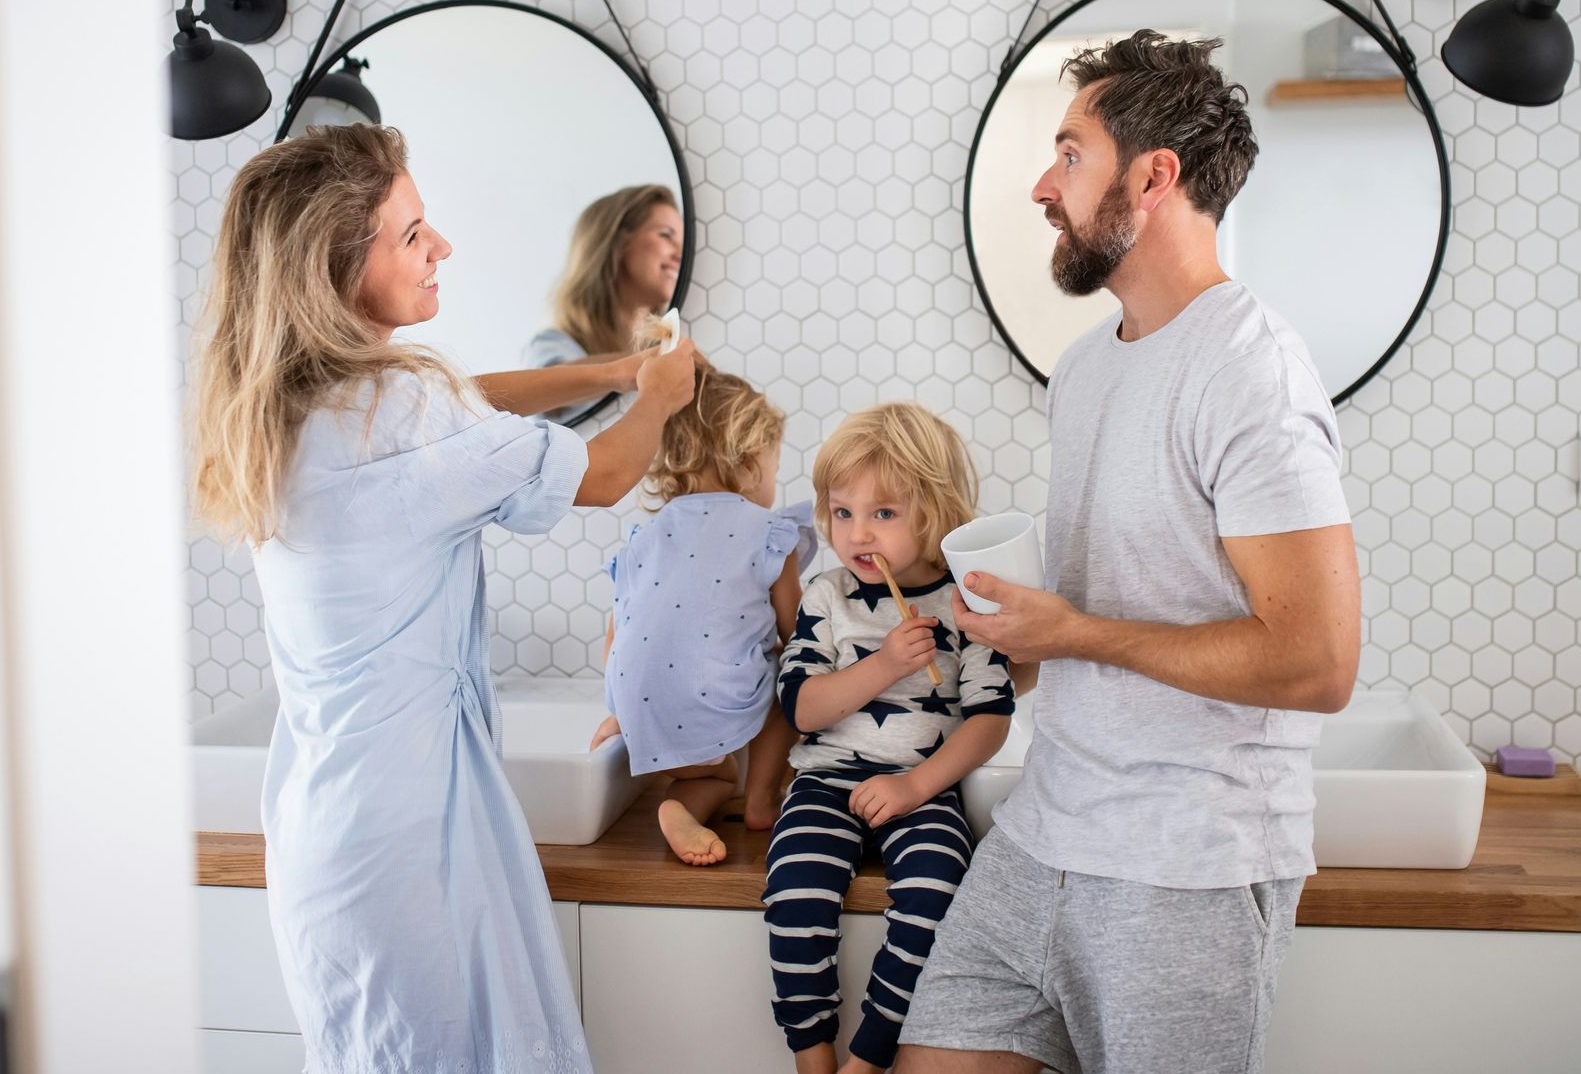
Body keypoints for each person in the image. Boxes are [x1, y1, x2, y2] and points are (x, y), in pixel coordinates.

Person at [187, 124, 698, 1074]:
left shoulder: (288, 403)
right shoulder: (404, 414)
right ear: (337, 265)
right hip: (409, 845)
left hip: (324, 840)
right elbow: (604, 473)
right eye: (413, 235)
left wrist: (610, 371)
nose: (444, 248)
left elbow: (459, 398)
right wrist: (660, 394)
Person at [898, 31, 1362, 1074]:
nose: (1039, 186)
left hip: (1184, 864)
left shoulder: (1252, 371)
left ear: (1154, 177)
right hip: (1042, 833)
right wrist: (1016, 635)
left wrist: (1079, 631)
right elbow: (1106, 611)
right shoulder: (1084, 369)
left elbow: (1319, 661)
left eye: (1069, 154)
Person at [765, 404, 1014, 1074]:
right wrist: (882, 665)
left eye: (883, 513)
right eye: (842, 512)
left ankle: (868, 1059)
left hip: (924, 790)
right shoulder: (826, 596)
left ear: (934, 510)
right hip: (825, 782)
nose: (856, 534)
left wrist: (914, 787)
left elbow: (991, 718)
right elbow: (803, 709)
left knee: (937, 899)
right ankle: (812, 1057)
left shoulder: (968, 605)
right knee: (793, 894)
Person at [587, 349, 814, 864]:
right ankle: (761, 801)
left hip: (636, 708)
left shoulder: (647, 534)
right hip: (708, 712)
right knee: (796, 669)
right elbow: (798, 632)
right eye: (775, 466)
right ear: (752, 461)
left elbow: (619, 629)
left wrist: (619, 709)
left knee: (714, 769)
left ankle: (679, 805)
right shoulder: (770, 533)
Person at [523, 184, 684, 422]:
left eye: (682, 241)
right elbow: (541, 392)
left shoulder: (663, 345)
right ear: (616, 242)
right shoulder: (552, 344)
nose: (679, 252)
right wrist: (654, 359)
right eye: (666, 235)